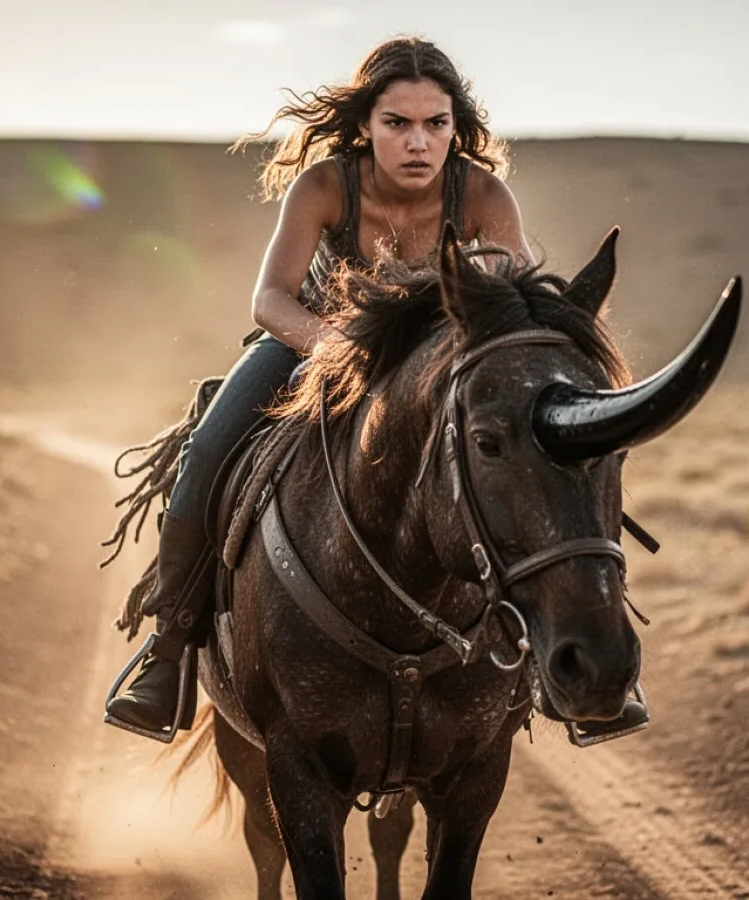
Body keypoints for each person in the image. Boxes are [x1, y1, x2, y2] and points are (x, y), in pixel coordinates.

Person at [105, 36, 647, 742]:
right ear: (365, 124)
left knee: (542, 466)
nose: (418, 142)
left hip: (441, 359)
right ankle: (168, 650)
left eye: (436, 124)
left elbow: (510, 304)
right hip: (314, 345)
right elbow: (269, 299)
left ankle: (577, 660)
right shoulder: (326, 185)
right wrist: (335, 347)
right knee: (207, 446)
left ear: (456, 128)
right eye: (398, 123)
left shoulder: (483, 193)